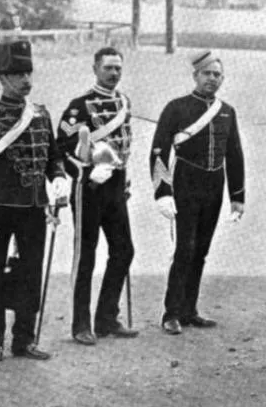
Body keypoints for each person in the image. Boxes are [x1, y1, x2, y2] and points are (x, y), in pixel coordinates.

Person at [0, 37, 71, 362]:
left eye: (28, 73)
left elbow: (54, 158)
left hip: (35, 209)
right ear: (1, 78)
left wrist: (60, 179)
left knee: (31, 273)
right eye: (17, 74)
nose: (26, 80)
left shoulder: (41, 115)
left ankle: (23, 340)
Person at [151, 51, 246, 335]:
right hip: (186, 182)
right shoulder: (176, 108)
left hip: (214, 185)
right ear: (196, 76)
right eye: (207, 73)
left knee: (201, 251)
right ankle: (171, 312)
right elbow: (158, 151)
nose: (212, 79)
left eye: (217, 75)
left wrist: (237, 196)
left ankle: (189, 310)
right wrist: (163, 192)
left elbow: (235, 154)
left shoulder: (227, 110)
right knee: (185, 249)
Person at [56, 47, 138, 345]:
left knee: (124, 250)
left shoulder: (124, 102)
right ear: (95, 69)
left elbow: (124, 146)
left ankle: (106, 317)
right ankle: (81, 324)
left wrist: (124, 180)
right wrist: (85, 171)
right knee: (86, 257)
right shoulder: (79, 106)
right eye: (108, 68)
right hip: (88, 187)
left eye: (118, 68)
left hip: (115, 185)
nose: (114, 73)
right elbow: (61, 149)